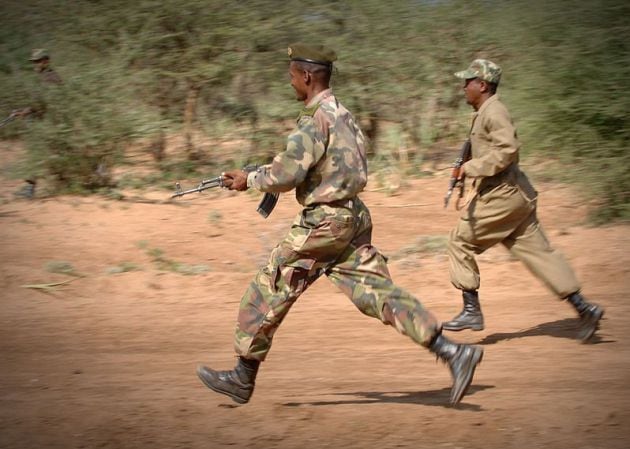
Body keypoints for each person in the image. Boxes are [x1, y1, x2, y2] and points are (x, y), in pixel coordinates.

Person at [196, 44, 483, 406]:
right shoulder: (344, 115)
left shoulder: (314, 120)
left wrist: (248, 180)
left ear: (306, 76)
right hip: (352, 217)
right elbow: (331, 165)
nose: (290, 82)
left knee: (269, 286)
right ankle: (453, 353)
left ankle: (242, 376)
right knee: (378, 292)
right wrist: (264, 172)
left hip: (324, 223)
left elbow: (286, 175)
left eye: (291, 76)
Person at [442, 59, 604, 343]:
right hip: (517, 196)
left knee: (459, 241)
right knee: (540, 254)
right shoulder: (484, 112)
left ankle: (471, 310)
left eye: (468, 81)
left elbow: (508, 151)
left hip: (503, 195)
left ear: (482, 85)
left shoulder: (494, 111)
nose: (463, 86)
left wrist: (470, 169)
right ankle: (585, 308)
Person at [13, 48, 62, 199]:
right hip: (39, 119)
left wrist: (25, 112)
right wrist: (22, 110)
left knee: (36, 152)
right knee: (41, 152)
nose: (36, 64)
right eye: (34, 61)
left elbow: (44, 102)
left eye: (38, 61)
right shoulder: (42, 77)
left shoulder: (50, 77)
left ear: (46, 61)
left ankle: (30, 189)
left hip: (45, 121)